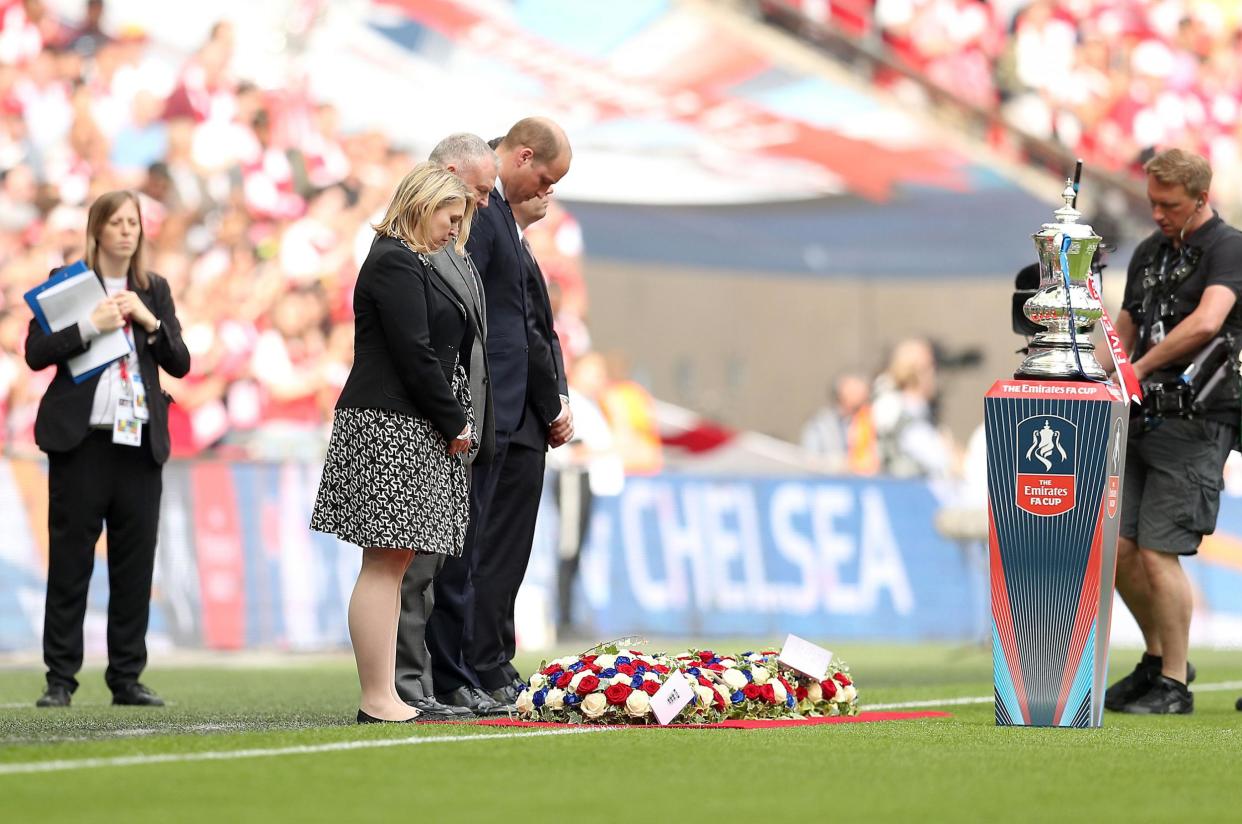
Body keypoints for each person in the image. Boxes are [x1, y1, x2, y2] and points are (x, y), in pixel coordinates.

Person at [310, 162, 478, 724]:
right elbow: (416, 353)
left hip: (402, 423)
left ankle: (383, 694)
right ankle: (376, 696)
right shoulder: (396, 262)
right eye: (450, 216)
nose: (455, 228)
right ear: (421, 204)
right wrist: (454, 419)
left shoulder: (410, 263)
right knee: (383, 564)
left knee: (392, 562)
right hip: (390, 425)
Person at [427, 118, 572, 711]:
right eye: (547, 177)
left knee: (504, 551)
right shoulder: (481, 217)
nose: (548, 190)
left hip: (520, 412)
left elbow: (536, 325)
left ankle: (489, 661)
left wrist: (555, 399)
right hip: (495, 409)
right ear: (523, 155)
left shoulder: (508, 225)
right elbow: (491, 321)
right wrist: (546, 398)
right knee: (474, 548)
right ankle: (459, 668)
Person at [26, 190, 191, 708]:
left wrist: (148, 320)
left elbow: (181, 362)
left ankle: (126, 677)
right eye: (116, 222)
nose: (125, 231)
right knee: (72, 563)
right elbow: (35, 353)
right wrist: (87, 327)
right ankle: (60, 679)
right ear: (96, 229)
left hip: (139, 443)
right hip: (81, 443)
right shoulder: (68, 283)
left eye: (133, 223)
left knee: (134, 565)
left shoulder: (153, 289)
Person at [1105, 148, 1242, 715]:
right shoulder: (1147, 252)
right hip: (1141, 416)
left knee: (1160, 550)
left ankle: (1175, 685)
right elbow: (1123, 329)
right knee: (1118, 549)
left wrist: (1136, 368)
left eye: (1170, 205)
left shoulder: (1229, 247)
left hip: (1198, 416)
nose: (1158, 213)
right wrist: (1106, 376)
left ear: (1200, 199)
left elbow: (1209, 321)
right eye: (1152, 202)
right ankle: (1160, 657)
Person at [393, 134, 497, 720]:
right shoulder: (410, 256)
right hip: (424, 424)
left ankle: (418, 682)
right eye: (473, 196)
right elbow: (419, 351)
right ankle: (406, 686)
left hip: (456, 424)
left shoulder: (453, 251)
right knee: (411, 568)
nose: (478, 209)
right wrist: (455, 416)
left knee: (432, 566)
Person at [801, 372, 879, 474]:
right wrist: (841, 464)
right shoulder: (820, 424)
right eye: (853, 390)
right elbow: (810, 459)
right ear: (840, 393)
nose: (861, 393)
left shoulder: (870, 419)